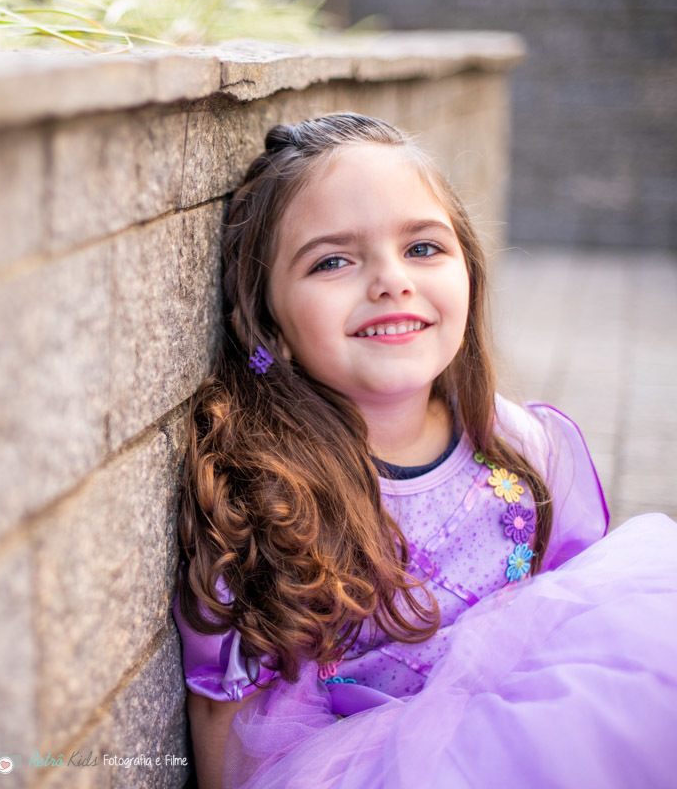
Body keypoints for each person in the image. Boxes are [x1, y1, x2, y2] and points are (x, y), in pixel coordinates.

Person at [172, 113, 677, 788]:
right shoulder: (269, 501)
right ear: (272, 324)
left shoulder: (526, 451)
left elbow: (581, 626)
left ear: (468, 267)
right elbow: (235, 746)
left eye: (423, 249)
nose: (390, 281)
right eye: (332, 261)